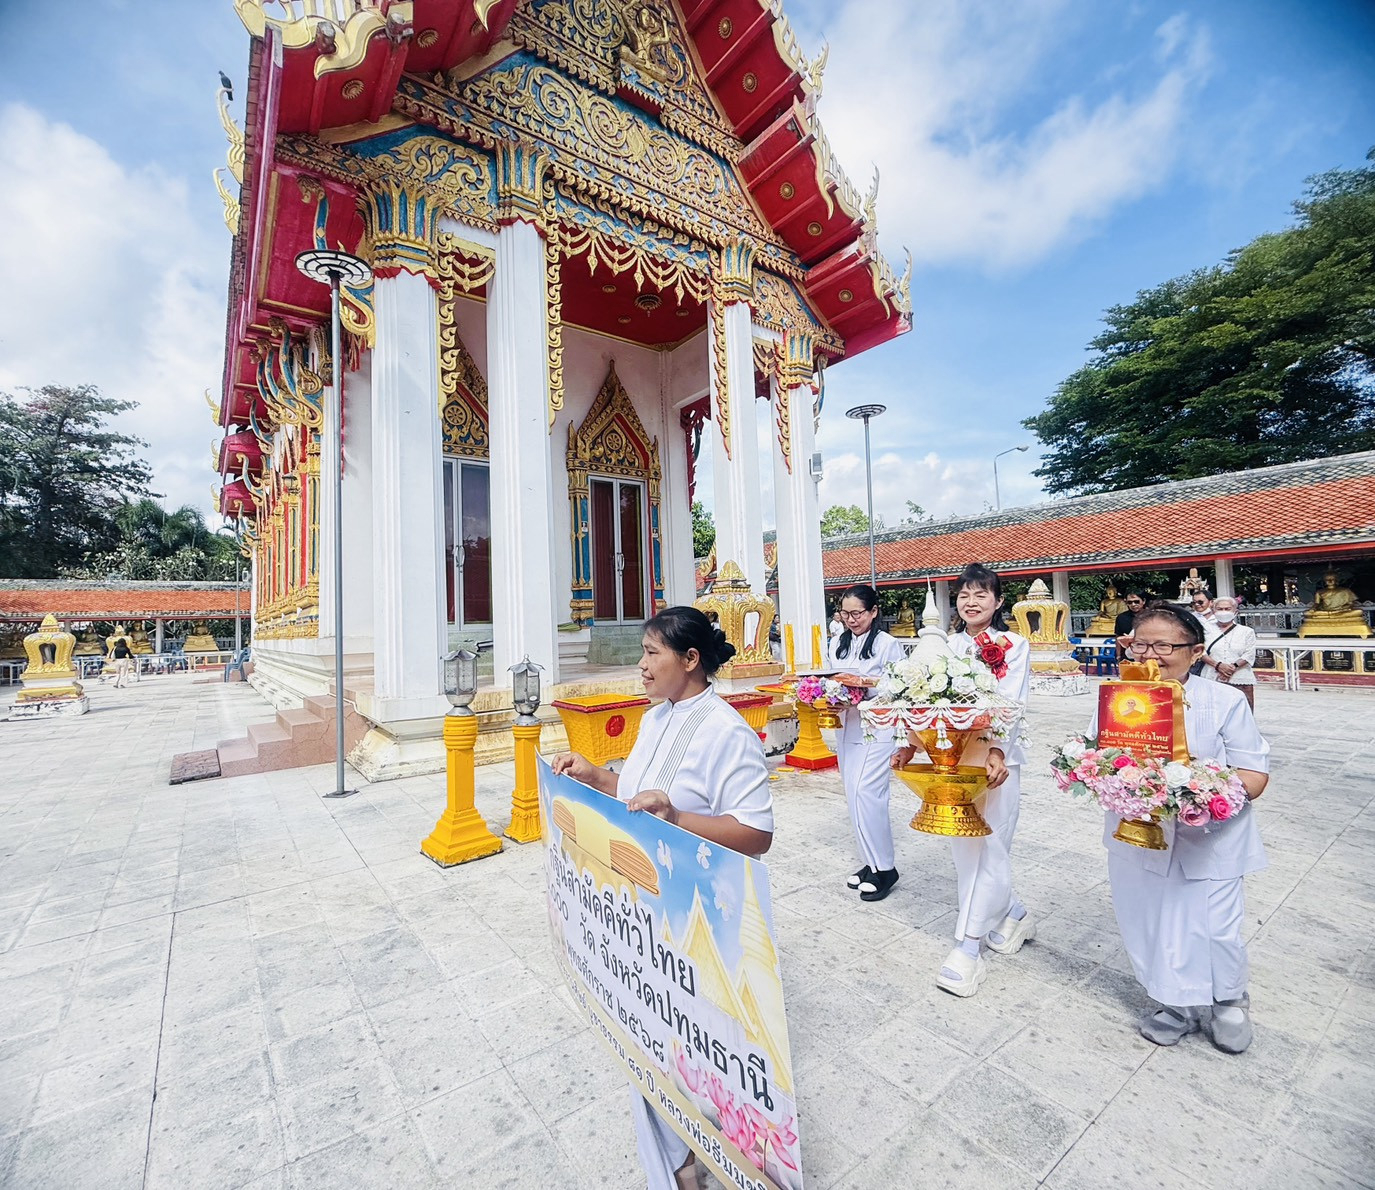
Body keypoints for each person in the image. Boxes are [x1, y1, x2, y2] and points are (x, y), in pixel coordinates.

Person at [551, 606, 772, 1190]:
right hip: (638, 906)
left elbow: (756, 833)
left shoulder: (726, 731)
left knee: (666, 1048)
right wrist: (594, 775)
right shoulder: (654, 720)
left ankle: (684, 1169)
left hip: (694, 911)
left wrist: (678, 817)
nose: (641, 666)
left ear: (690, 660)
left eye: (652, 653)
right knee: (643, 1042)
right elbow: (635, 792)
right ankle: (680, 1167)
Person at [1093, 603, 1270, 1053]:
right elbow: (1096, 758)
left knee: (1215, 927)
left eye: (1163, 645)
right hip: (1138, 832)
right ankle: (1174, 1004)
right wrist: (1106, 778)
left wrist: (1197, 793)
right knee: (1151, 920)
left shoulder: (1224, 701)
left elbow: (1254, 774)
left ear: (1194, 653)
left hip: (1210, 836)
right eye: (1140, 644)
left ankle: (1229, 1001)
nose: (1150, 654)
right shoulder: (1116, 698)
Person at [898, 563, 1032, 997]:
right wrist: (913, 743)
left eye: (981, 595)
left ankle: (967, 948)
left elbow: (1012, 701)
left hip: (995, 763)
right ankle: (1014, 910)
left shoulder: (1013, 645)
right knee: (965, 851)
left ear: (998, 601)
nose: (971, 602)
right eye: (964, 595)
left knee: (990, 847)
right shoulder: (946, 644)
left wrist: (998, 751)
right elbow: (920, 698)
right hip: (949, 758)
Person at [829, 584, 908, 902]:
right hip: (846, 727)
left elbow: (899, 686)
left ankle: (886, 868)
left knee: (868, 794)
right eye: (845, 613)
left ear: (874, 612)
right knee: (853, 796)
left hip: (879, 728)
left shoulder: (888, 645)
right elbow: (831, 677)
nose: (851, 619)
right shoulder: (837, 642)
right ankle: (870, 862)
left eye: (857, 613)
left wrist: (863, 690)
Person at [1198, 596, 1259, 711]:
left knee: (1242, 711)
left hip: (1240, 676)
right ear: (1213, 611)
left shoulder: (1246, 632)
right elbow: (1200, 651)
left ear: (1235, 612)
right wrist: (1218, 665)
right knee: (1213, 711)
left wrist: (1232, 667)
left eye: (1227, 609)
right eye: (1220, 609)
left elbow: (1249, 653)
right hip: (1212, 675)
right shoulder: (1205, 629)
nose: (1223, 612)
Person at [1114, 589, 1148, 660]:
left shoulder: (1152, 616)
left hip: (1148, 655)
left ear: (1143, 601)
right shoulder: (1121, 618)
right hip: (1127, 657)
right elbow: (1118, 637)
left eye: (1136, 602)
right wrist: (1118, 656)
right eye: (1130, 602)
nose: (1133, 604)